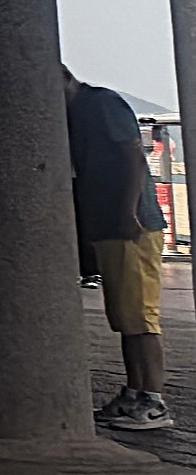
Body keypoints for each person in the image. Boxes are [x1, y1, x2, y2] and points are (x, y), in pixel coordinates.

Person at [75, 69, 174, 431]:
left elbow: (133, 156)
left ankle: (153, 400)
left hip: (130, 226)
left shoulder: (99, 104)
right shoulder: (83, 110)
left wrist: (129, 212)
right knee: (125, 316)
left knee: (139, 315)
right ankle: (135, 393)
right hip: (110, 225)